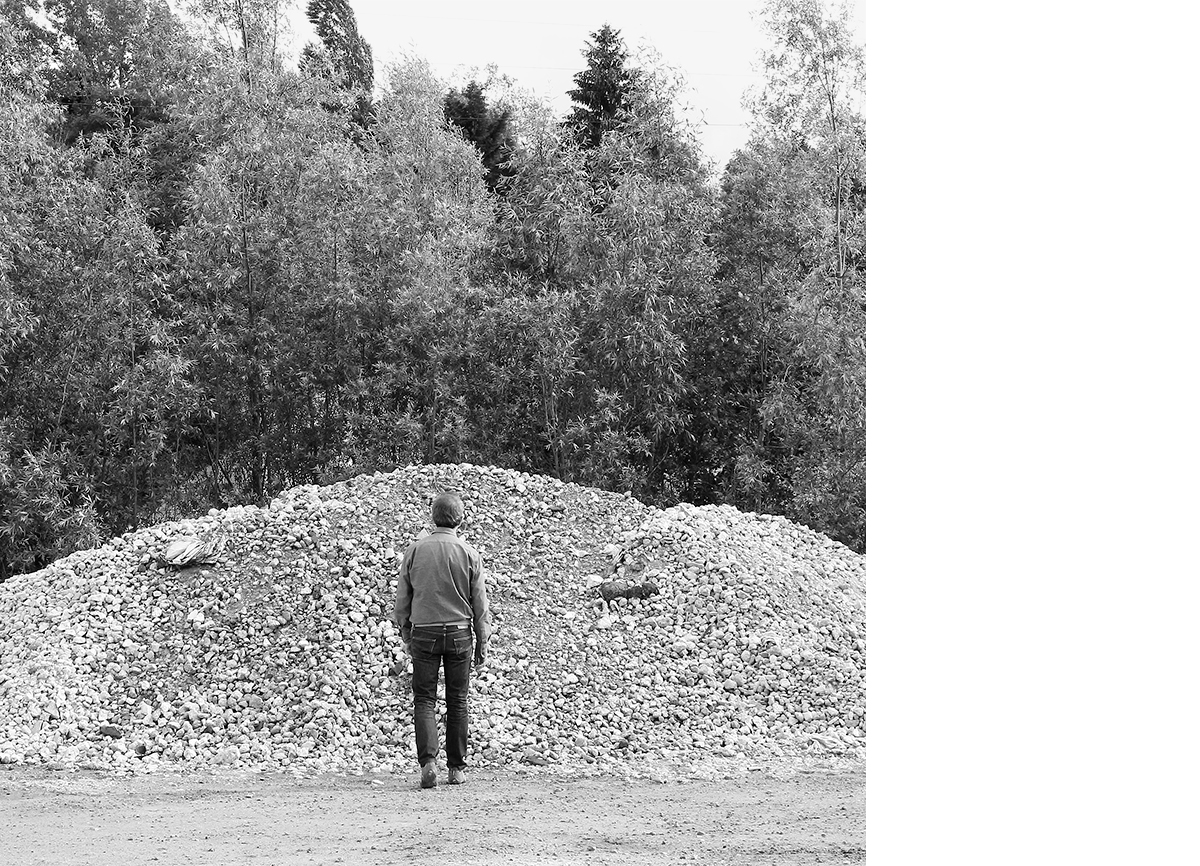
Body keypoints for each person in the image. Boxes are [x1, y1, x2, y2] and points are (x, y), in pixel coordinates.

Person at [392, 491, 490, 789]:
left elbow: (402, 600)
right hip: (460, 633)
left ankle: (428, 763)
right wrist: (482, 638)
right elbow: (480, 603)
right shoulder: (469, 553)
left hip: (424, 632)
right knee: (458, 700)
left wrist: (406, 631)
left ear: (432, 517)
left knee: (424, 699)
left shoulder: (415, 550)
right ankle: (457, 769)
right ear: (460, 519)